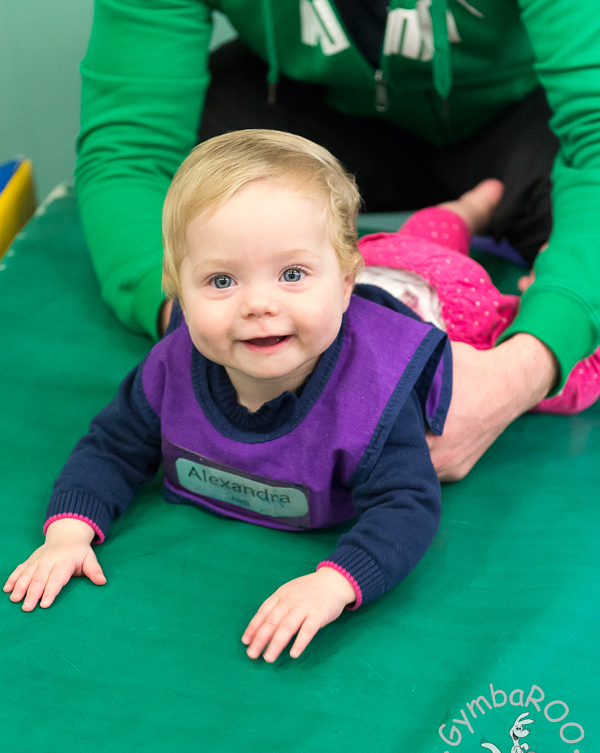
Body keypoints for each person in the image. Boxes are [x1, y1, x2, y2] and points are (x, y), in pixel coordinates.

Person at [75, 0, 600, 481]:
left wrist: (524, 368)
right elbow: (131, 152)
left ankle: (483, 220)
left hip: (525, 118)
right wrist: (195, 314)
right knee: (210, 161)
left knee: (578, 317)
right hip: (313, 115)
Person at [4, 131, 452, 663]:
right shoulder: (171, 368)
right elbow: (112, 446)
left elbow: (408, 502)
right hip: (350, 268)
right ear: (178, 294)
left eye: (292, 274)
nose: (258, 304)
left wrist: (335, 583)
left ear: (346, 282)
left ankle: (464, 211)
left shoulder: (373, 395)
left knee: (439, 243)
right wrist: (69, 532)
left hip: (426, 285)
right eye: (221, 281)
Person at [356, 180, 600, 415]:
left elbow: (580, 372)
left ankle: (474, 207)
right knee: (433, 229)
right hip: (393, 267)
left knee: (545, 348)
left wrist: (550, 298)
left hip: (400, 280)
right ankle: (471, 207)